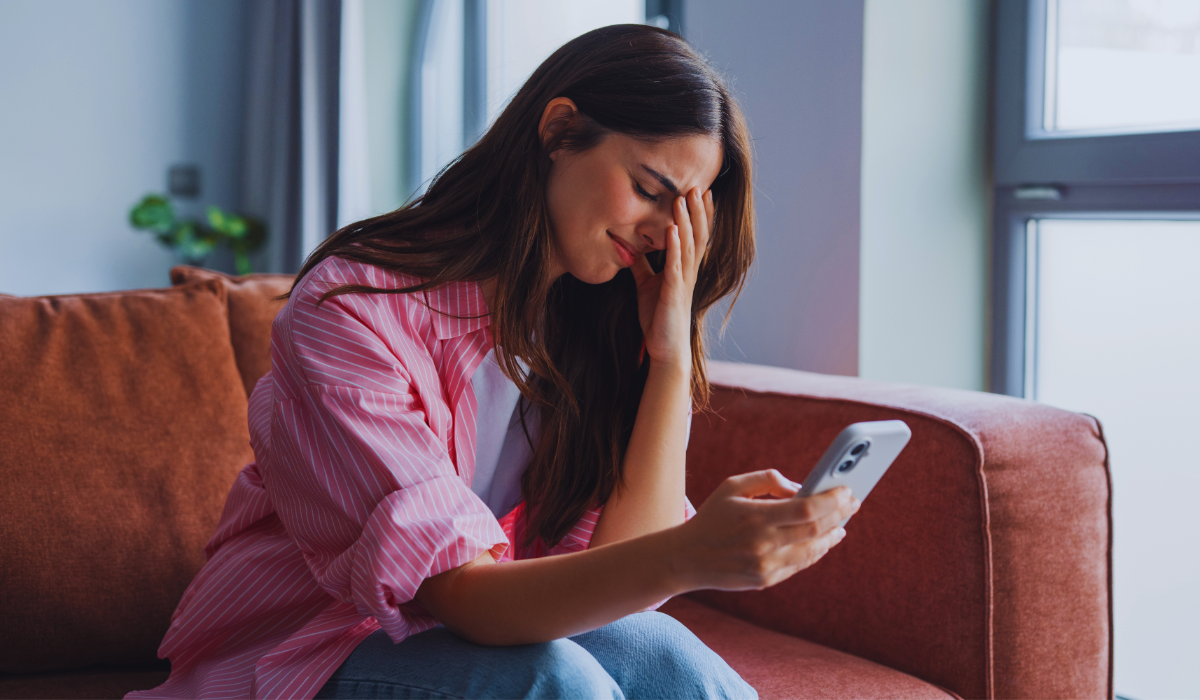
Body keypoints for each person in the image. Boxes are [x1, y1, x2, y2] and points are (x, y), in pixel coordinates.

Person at [126, 24, 858, 700]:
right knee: (556, 682)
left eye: (685, 214)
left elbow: (619, 574)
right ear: (559, 130)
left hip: (469, 635)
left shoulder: (585, 323)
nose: (665, 234)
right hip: (302, 650)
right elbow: (463, 597)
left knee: (668, 658)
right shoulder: (352, 309)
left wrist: (668, 356)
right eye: (647, 190)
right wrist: (690, 555)